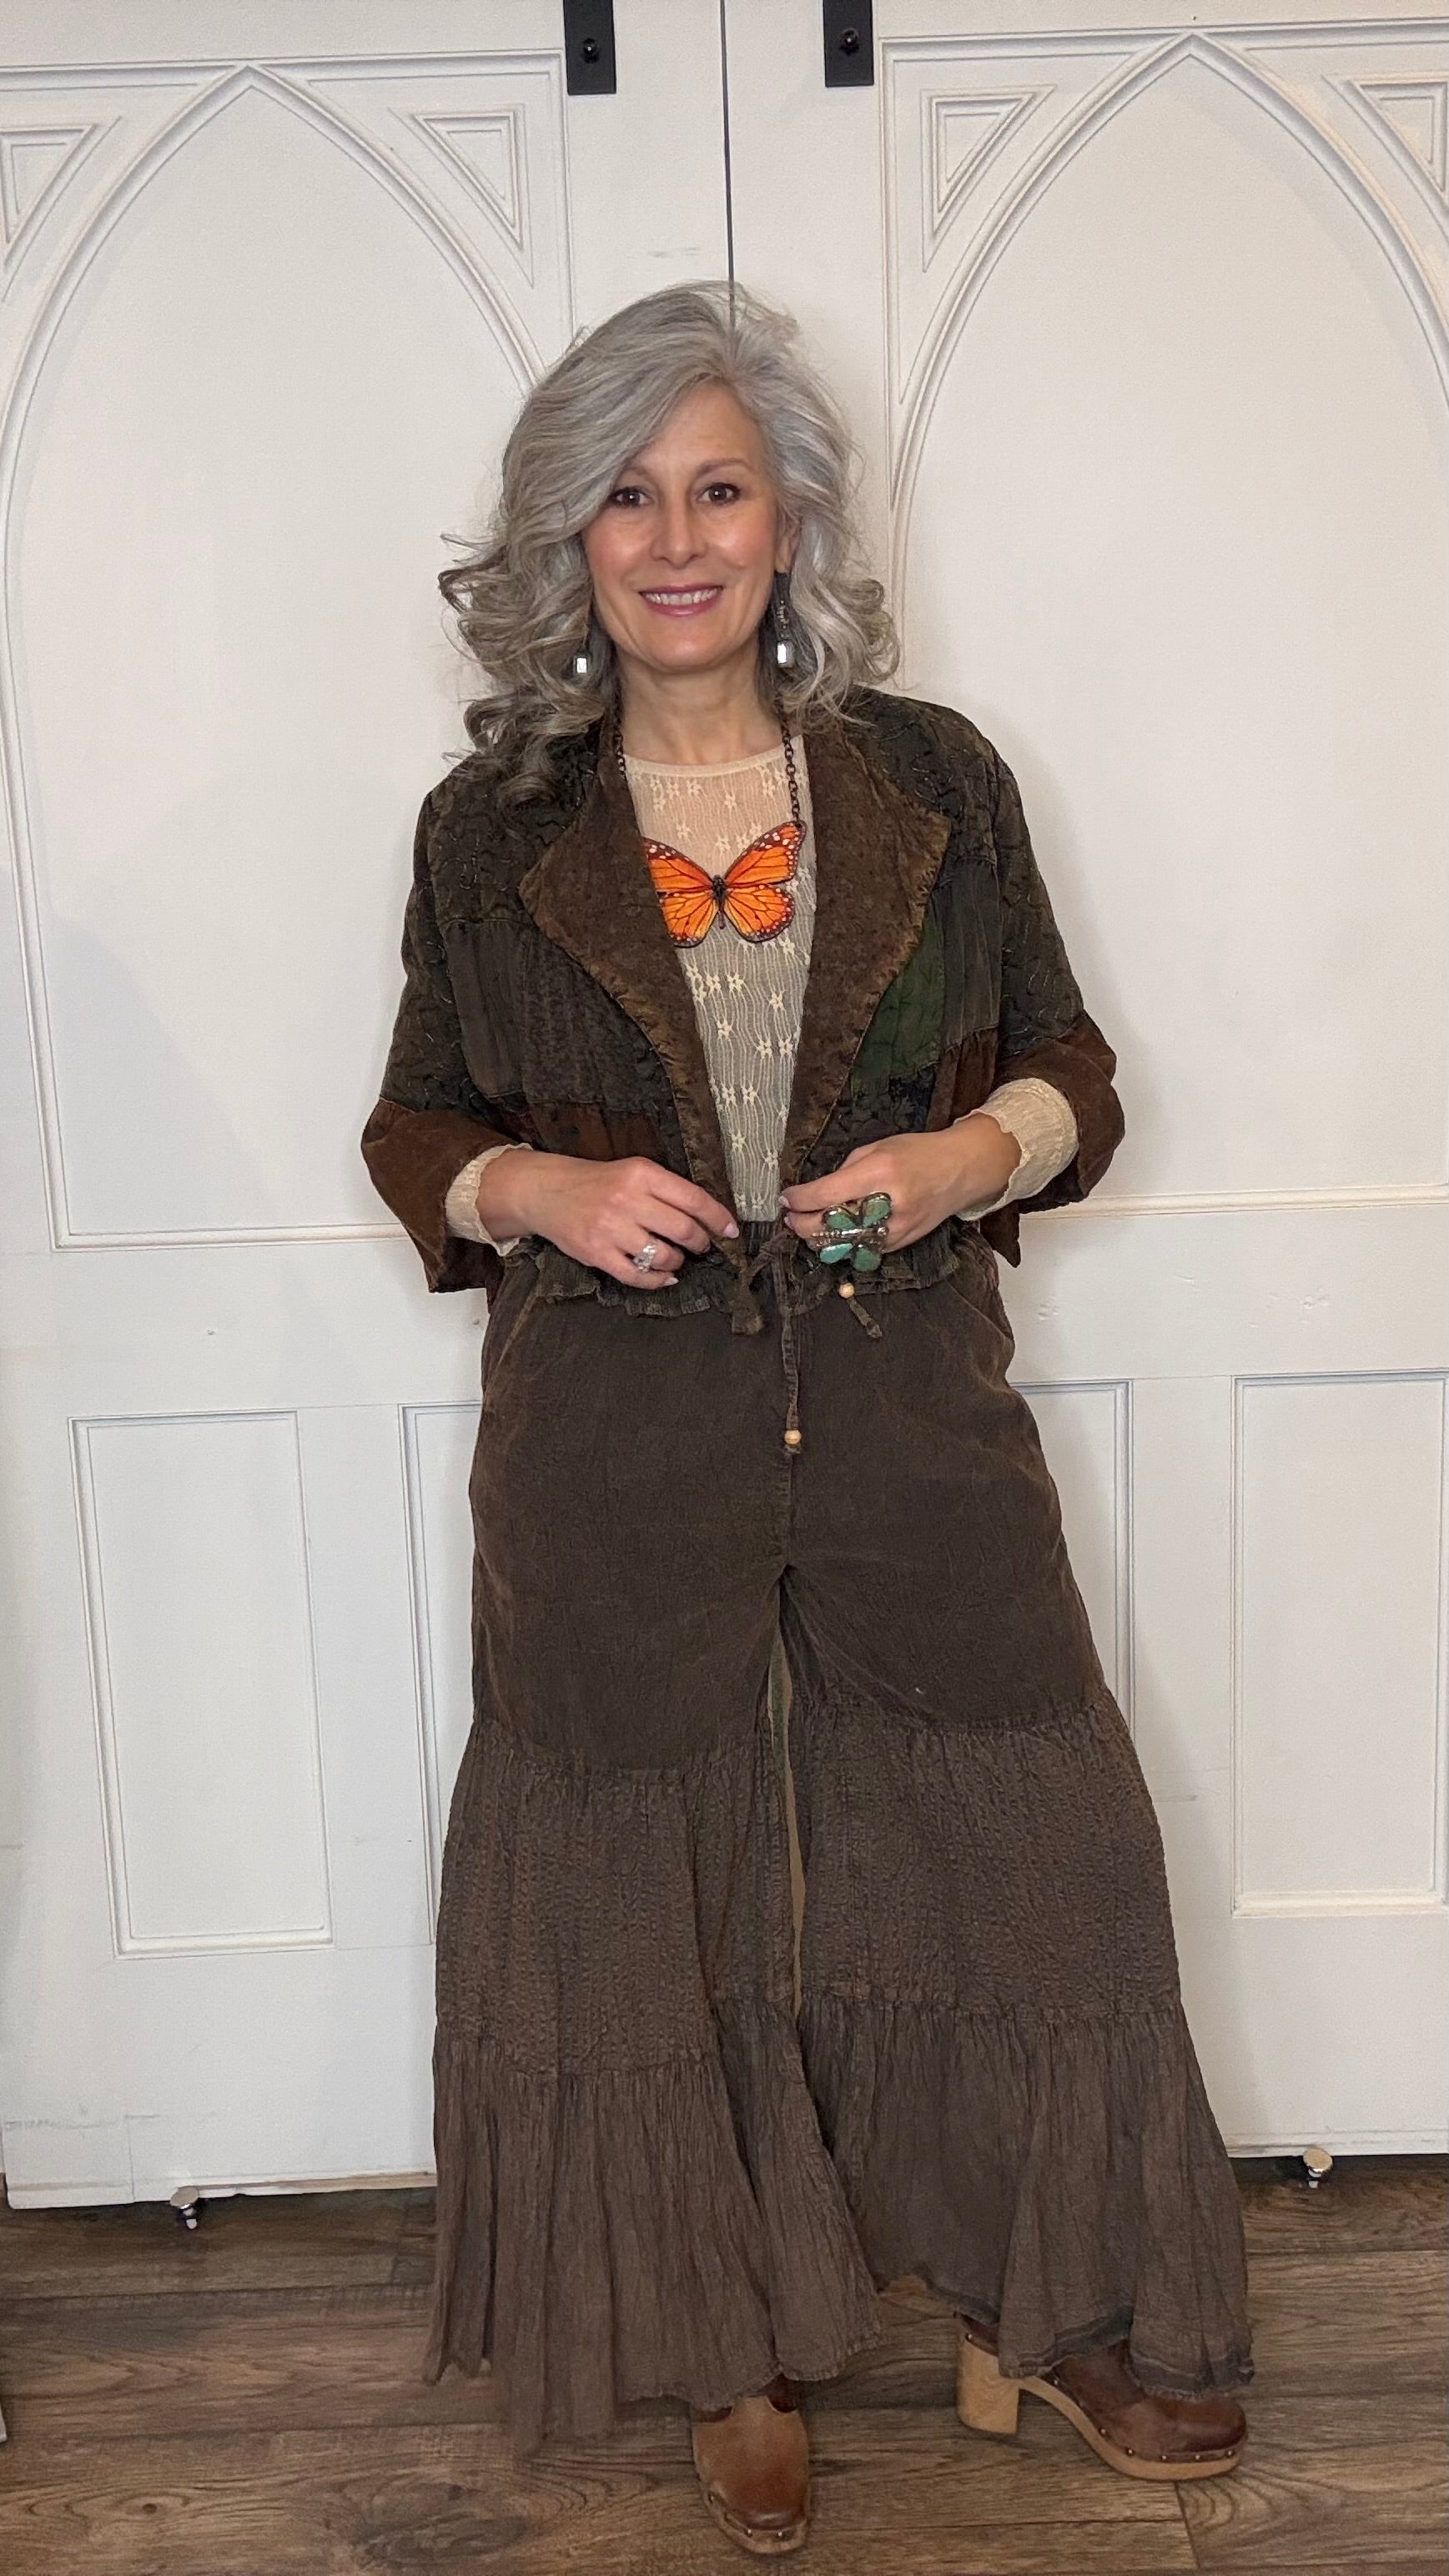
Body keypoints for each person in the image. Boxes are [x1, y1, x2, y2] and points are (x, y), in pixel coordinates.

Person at [361, 280, 1252, 2557]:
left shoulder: (931, 780)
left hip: (905, 1416)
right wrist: (531, 1187)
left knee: (1029, 1855)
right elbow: (414, 1120)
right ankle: (727, 2341)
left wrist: (963, 1160)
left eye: (719, 489)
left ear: (791, 522)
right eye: (625, 498)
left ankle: (1050, 2309)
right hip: (612, 1446)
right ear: (566, 542)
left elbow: (1075, 1073)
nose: (676, 540)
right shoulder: (490, 828)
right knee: (654, 1897)